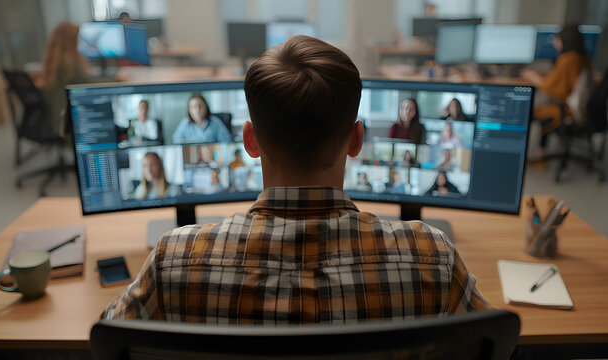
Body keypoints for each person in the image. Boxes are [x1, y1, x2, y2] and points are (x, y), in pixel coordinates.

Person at [102, 35, 487, 323]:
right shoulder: (433, 257)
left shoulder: (173, 260)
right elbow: (494, 342)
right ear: (356, 140)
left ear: (249, 141)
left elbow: (109, 337)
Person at [521, 25, 592, 156]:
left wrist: (533, 77)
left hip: (569, 111)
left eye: (557, 39)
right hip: (581, 108)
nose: (554, 42)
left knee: (531, 110)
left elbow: (550, 87)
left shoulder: (568, 59)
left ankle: (535, 152)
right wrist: (546, 73)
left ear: (565, 40)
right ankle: (541, 149)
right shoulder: (582, 57)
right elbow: (563, 79)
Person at [41, 22, 90, 134]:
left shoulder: (54, 61)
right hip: (65, 122)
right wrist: (117, 78)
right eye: (77, 38)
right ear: (70, 41)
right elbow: (90, 84)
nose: (79, 41)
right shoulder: (68, 66)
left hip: (54, 116)